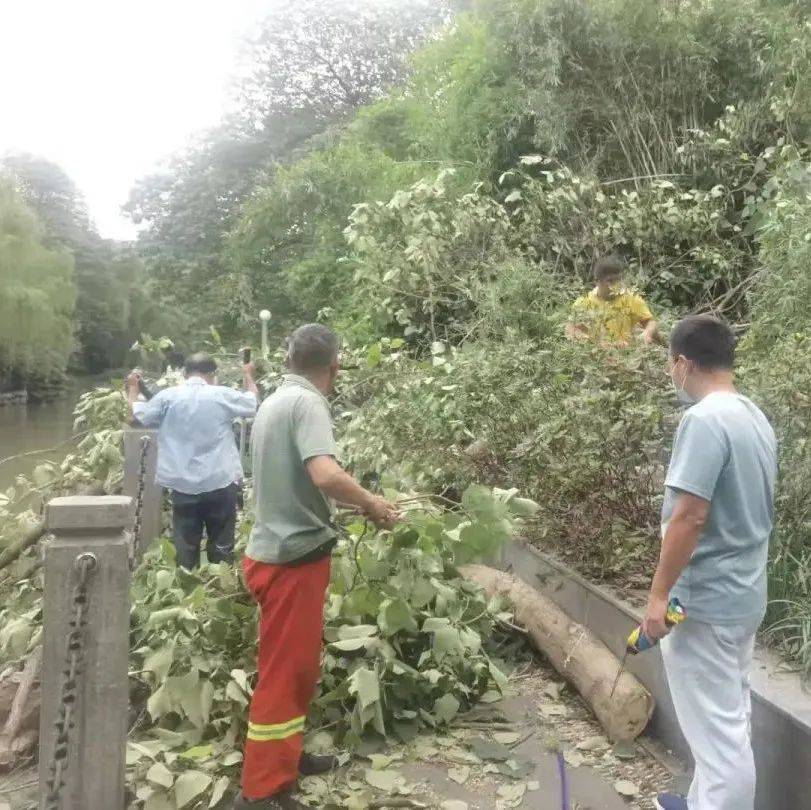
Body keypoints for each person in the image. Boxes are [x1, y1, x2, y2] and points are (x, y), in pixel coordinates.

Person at [234, 324, 399, 810]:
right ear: (334, 365)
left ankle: (286, 759)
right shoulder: (309, 403)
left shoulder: (273, 401)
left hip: (277, 550)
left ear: (289, 359)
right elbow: (323, 472)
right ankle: (262, 791)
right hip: (291, 561)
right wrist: (369, 501)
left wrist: (357, 506)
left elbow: (297, 484)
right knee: (284, 675)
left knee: (298, 668)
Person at [641, 315, 777, 810]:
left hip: (703, 602)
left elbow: (689, 517)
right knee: (725, 719)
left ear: (682, 363)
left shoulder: (704, 420)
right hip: (742, 594)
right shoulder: (752, 416)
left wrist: (659, 596)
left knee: (719, 741)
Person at [126, 353, 259, 568]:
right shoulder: (221, 395)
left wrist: (133, 388)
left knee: (185, 547)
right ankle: (218, 585)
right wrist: (248, 375)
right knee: (222, 547)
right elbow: (251, 402)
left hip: (183, 485)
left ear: (184, 374)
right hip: (220, 481)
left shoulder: (168, 397)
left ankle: (187, 590)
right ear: (213, 375)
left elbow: (134, 417)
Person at [567, 255, 661, 346]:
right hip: (596, 356)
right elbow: (570, 328)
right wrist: (591, 344)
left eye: (618, 279)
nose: (615, 284)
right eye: (610, 280)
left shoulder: (630, 299)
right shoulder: (585, 302)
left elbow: (651, 322)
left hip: (626, 354)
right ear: (597, 281)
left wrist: (647, 333)